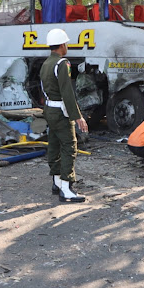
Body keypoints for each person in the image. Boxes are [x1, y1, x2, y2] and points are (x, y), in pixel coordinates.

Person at [40, 28, 88, 202]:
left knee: (54, 144)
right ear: (62, 45)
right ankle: (67, 189)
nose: (66, 46)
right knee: (69, 145)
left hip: (49, 110)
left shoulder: (46, 64)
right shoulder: (62, 64)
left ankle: (57, 182)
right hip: (60, 111)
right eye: (66, 43)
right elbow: (67, 92)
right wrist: (78, 116)